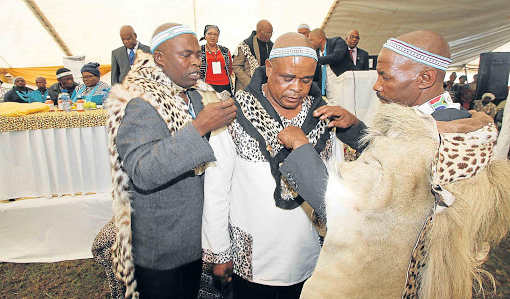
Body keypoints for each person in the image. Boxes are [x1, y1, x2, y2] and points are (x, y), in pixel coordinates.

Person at [300, 30, 510, 299]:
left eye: (385, 76)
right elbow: (404, 176)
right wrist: (356, 129)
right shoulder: (458, 124)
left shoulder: (416, 142)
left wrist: (300, 150)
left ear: (425, 78)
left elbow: (343, 202)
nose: (376, 86)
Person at [202, 32, 365, 299]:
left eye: (306, 79)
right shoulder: (232, 113)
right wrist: (219, 251)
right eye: (287, 77)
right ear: (268, 69)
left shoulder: (323, 115)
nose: (297, 88)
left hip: (308, 253)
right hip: (252, 257)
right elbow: (217, 189)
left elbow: (332, 183)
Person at [96, 23, 236, 299]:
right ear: (159, 58)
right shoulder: (141, 102)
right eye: (187, 55)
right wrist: (199, 128)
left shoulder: (199, 94)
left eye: (198, 54)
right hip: (162, 244)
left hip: (196, 235)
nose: (197, 61)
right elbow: (142, 171)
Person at [308, 28, 355, 98]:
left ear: (320, 39)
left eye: (311, 40)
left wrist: (315, 60)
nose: (310, 43)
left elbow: (337, 56)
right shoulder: (315, 52)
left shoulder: (337, 41)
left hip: (344, 86)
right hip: (327, 89)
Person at [232, 20, 274, 91]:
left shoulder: (272, 46)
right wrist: (250, 83)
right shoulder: (244, 46)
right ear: (259, 32)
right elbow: (236, 66)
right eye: (268, 33)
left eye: (271, 32)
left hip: (265, 87)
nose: (270, 35)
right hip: (246, 88)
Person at [199, 25, 233, 93]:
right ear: (205, 37)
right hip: (206, 85)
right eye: (209, 34)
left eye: (215, 34)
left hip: (225, 85)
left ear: (218, 37)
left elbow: (230, 68)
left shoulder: (225, 51)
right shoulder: (199, 50)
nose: (212, 36)